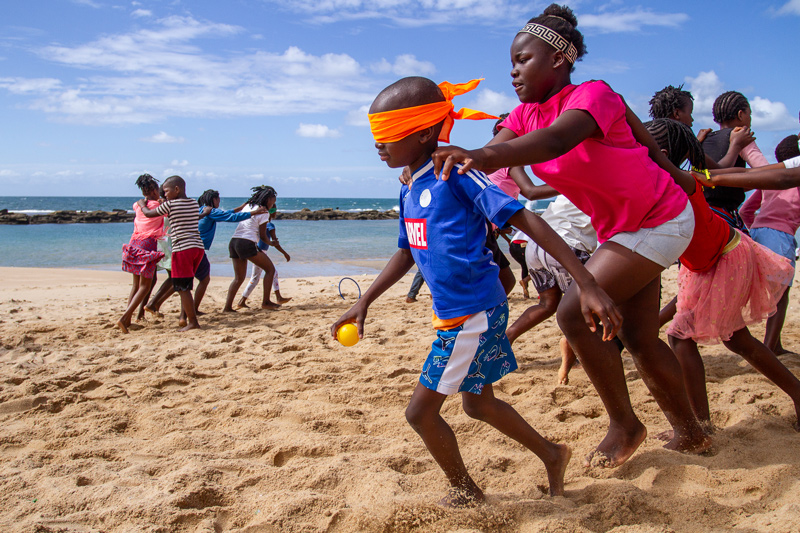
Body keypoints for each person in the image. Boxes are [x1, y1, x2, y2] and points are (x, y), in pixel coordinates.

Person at [429, 4, 712, 466]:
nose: (513, 70)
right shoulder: (525, 114)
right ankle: (692, 433)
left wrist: (477, 154)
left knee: (573, 314)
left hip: (659, 217)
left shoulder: (593, 95)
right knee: (639, 338)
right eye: (512, 62)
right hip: (622, 229)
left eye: (523, 59)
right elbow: (504, 146)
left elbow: (559, 141)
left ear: (558, 59)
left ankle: (625, 425)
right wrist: (433, 158)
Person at [333, 76, 621, 506]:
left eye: (388, 134)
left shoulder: (458, 175)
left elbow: (525, 219)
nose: (379, 145)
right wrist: (364, 300)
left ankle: (467, 493)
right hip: (457, 312)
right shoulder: (410, 185)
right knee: (478, 404)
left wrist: (586, 281)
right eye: (374, 134)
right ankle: (553, 453)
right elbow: (406, 252)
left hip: (473, 314)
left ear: (427, 131)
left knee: (420, 413)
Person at [645, 118, 800, 429]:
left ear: (660, 154)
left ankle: (701, 425)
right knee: (736, 339)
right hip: (703, 263)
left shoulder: (679, 180)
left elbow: (773, 175)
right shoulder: (654, 181)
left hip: (725, 258)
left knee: (680, 337)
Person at [504, 195, 602, 385]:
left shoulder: (568, 189)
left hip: (535, 246)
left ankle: (507, 337)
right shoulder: (601, 187)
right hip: (566, 246)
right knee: (582, 311)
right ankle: (569, 364)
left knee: (547, 304)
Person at [739, 134, 800, 355]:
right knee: (781, 297)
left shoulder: (769, 180)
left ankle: (776, 345)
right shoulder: (796, 180)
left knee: (760, 290)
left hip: (756, 234)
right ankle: (771, 347)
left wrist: (756, 229)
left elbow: (746, 210)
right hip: (781, 237)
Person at [137, 175, 205, 331]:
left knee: (182, 287)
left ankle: (193, 322)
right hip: (197, 247)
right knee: (186, 284)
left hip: (182, 249)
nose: (164, 195)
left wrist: (142, 204)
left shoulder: (170, 206)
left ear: (176, 189)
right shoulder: (193, 203)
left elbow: (149, 213)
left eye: (166, 192)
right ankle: (185, 318)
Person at [701, 91, 770, 232]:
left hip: (704, 214)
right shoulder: (740, 136)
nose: (750, 119)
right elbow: (766, 173)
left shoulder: (704, 138)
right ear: (740, 114)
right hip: (726, 218)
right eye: (749, 115)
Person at [649, 84, 753, 168]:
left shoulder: (650, 132)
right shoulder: (682, 137)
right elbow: (719, 169)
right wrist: (736, 145)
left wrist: (696, 142)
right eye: (690, 114)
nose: (692, 120)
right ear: (677, 114)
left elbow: (670, 165)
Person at [117, 174, 165, 333]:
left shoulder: (137, 205)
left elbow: (142, 208)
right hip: (148, 245)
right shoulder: (157, 206)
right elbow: (167, 214)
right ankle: (124, 318)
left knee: (136, 285)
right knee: (145, 286)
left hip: (134, 243)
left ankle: (128, 318)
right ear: (155, 190)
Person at [223, 186, 278, 312]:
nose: (273, 204)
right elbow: (263, 236)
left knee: (238, 278)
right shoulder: (263, 212)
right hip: (246, 243)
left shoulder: (248, 206)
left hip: (234, 242)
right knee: (270, 270)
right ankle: (266, 302)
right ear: (268, 199)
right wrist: (272, 243)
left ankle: (227, 307)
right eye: (273, 201)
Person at [237, 219, 291, 308]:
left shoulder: (260, 225)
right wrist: (284, 253)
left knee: (271, 274)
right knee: (256, 277)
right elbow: (275, 243)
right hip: (261, 252)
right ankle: (242, 301)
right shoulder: (270, 225)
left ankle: (278, 297)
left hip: (256, 250)